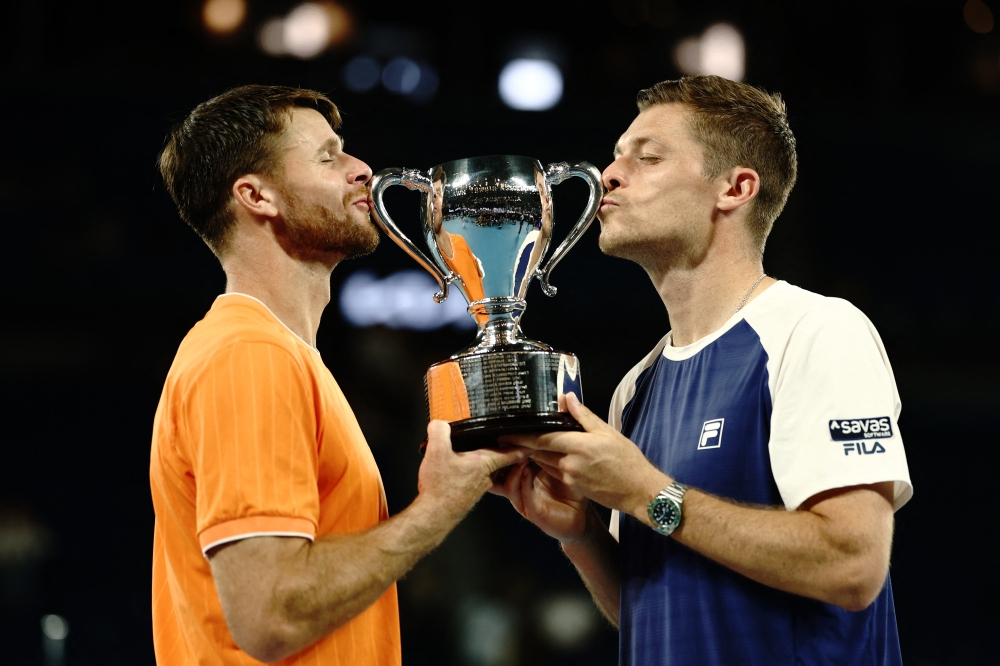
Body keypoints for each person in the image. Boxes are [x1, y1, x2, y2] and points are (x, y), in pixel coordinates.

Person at [495, 75, 913, 665]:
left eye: (649, 157)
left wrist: (647, 492)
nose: (609, 175)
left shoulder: (816, 331)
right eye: (616, 157)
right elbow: (652, 605)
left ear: (735, 188)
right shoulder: (638, 386)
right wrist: (581, 533)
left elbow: (851, 565)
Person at [151, 85, 525, 666]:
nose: (361, 170)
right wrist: (438, 507)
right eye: (328, 157)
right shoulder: (249, 356)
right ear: (257, 196)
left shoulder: (282, 356)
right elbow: (271, 615)